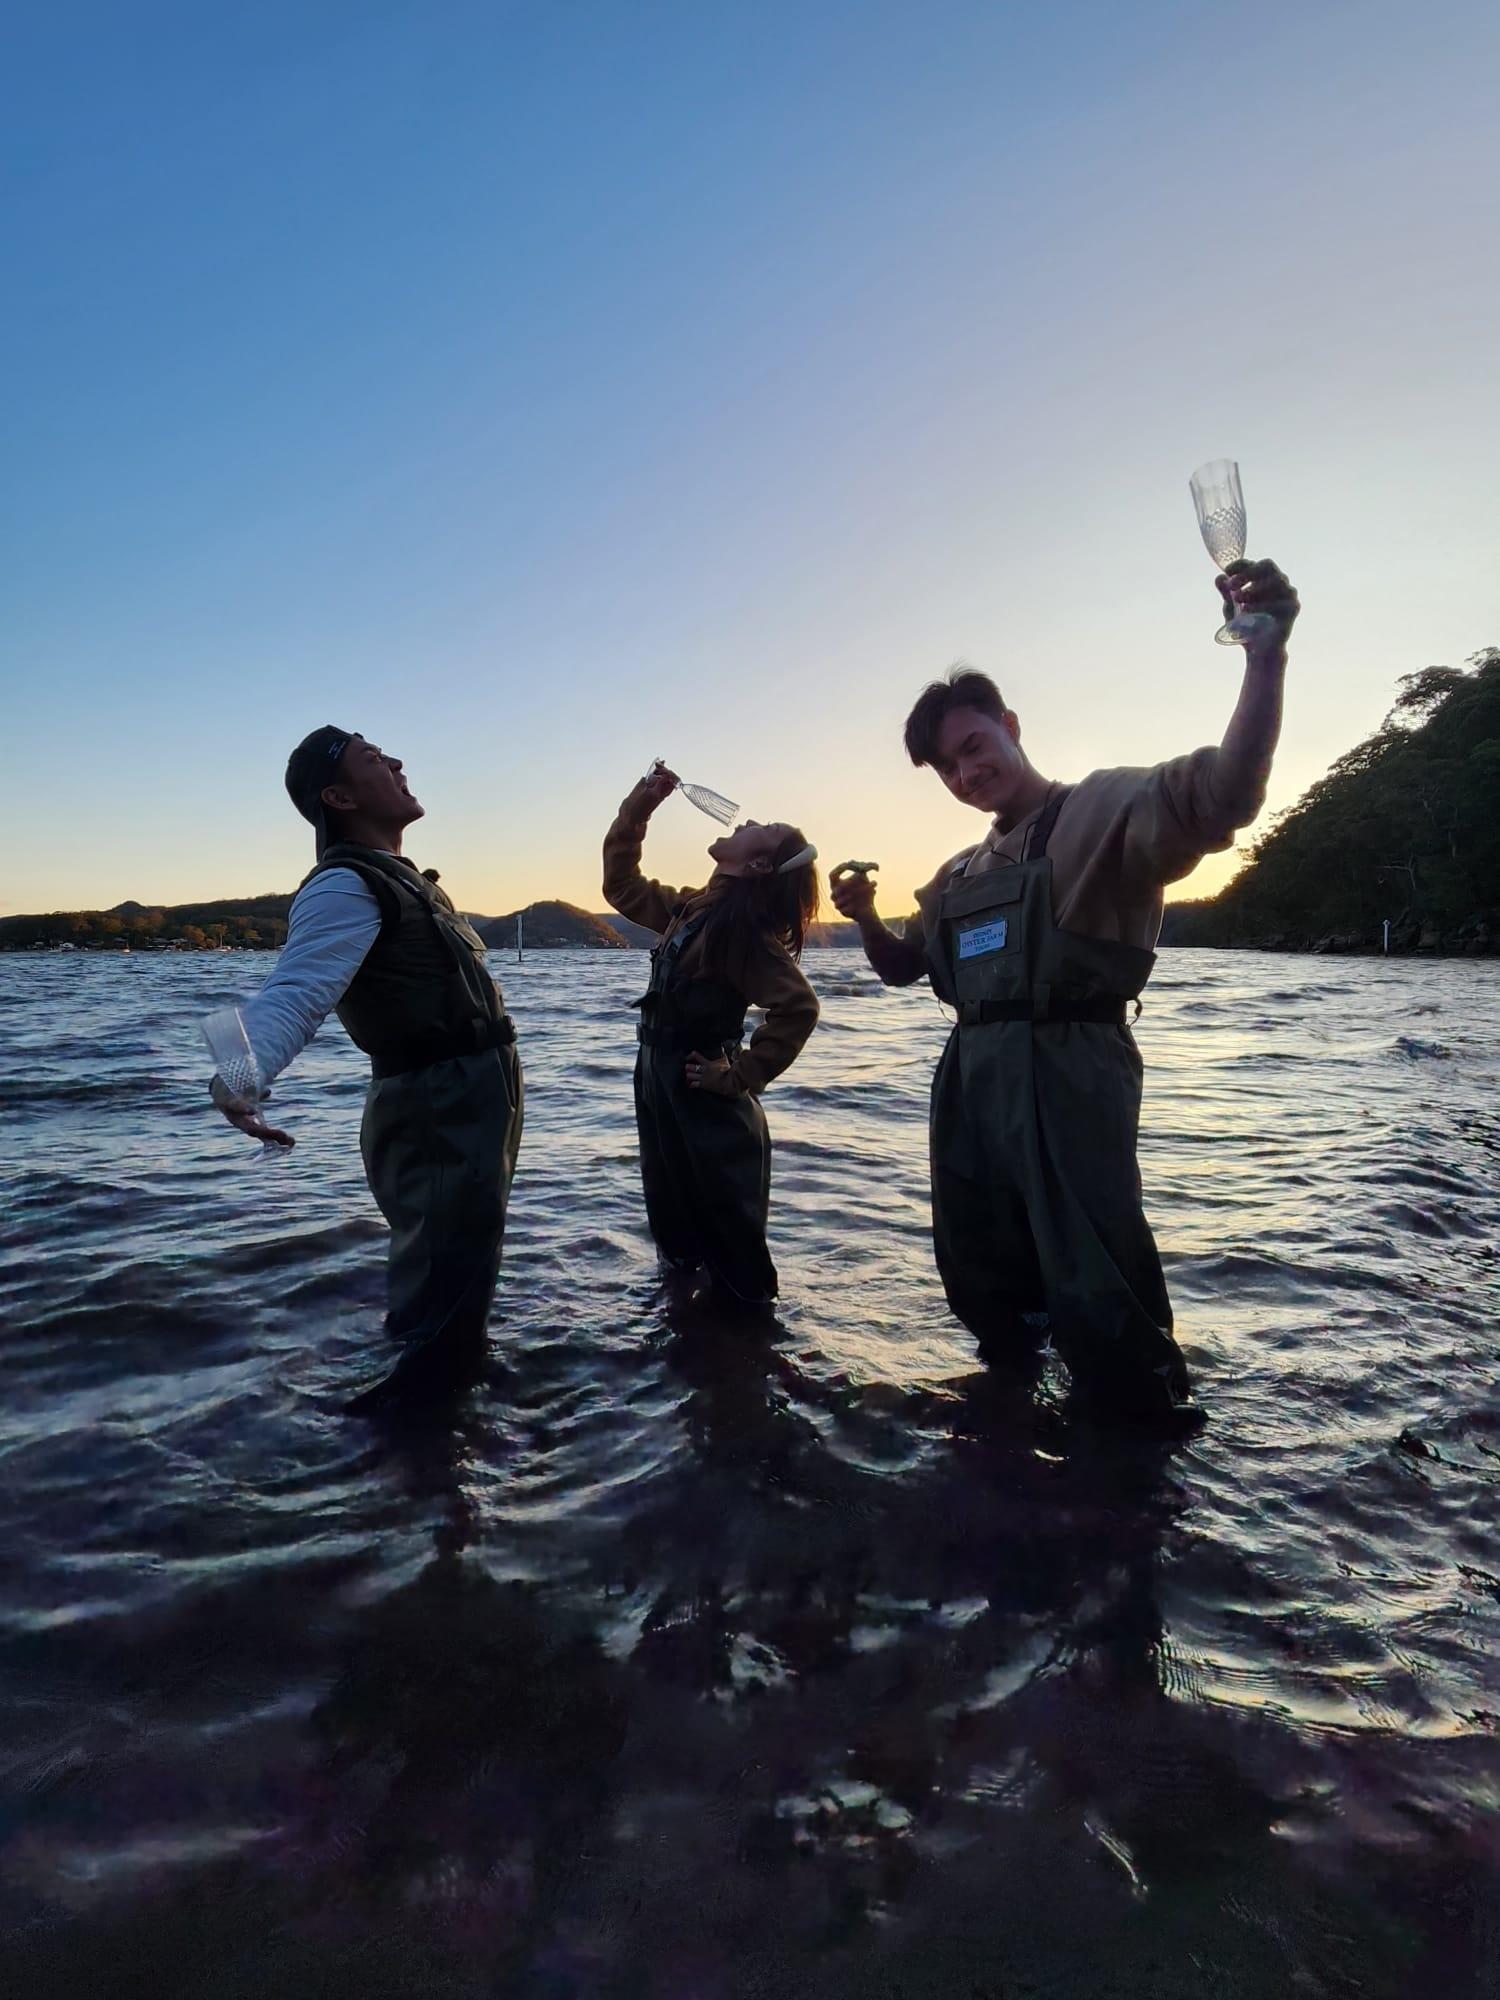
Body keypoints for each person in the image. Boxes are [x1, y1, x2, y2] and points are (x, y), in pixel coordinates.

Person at [830, 559, 1301, 1429]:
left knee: (1098, 1278)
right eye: (947, 767)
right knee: (982, 1272)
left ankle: (1143, 1460)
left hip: (1072, 1071)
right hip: (971, 1084)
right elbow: (909, 970)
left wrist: (1262, 659)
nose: (967, 774)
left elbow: (1226, 797)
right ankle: (1010, 1439)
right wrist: (863, 919)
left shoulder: (1105, 808)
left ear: (1011, 726)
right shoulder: (958, 872)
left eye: (975, 747)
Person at [208, 726, 524, 1410]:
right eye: (375, 759)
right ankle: (415, 1445)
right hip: (437, 1111)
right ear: (340, 796)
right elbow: (295, 992)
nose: (399, 762)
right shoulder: (344, 885)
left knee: (457, 1280)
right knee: (443, 1292)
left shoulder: (402, 878)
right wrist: (236, 1077)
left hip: (464, 1108)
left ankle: (436, 1451)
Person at [602, 764, 821, 1307]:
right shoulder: (693, 910)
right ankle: (691, 1352)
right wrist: (641, 807)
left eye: (761, 826)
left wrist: (739, 1075)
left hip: (705, 1094)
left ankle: (749, 1359)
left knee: (730, 1237)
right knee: (675, 1226)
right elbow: (620, 886)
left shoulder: (742, 934)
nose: (746, 820)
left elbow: (797, 1007)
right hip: (659, 1084)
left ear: (757, 863)